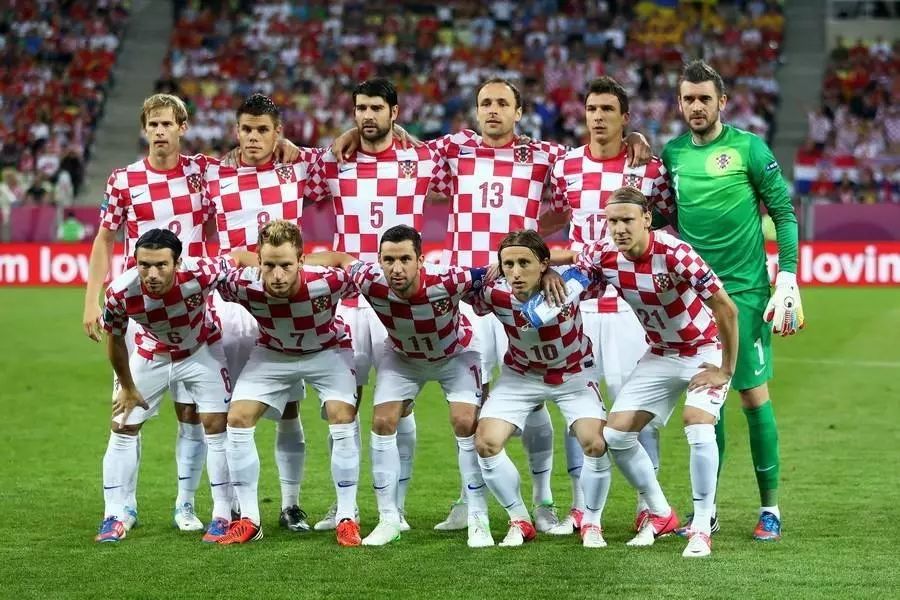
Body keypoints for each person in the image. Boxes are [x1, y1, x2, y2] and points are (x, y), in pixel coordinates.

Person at [553, 187, 739, 558]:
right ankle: (661, 512)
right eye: (612, 221)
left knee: (698, 423)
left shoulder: (675, 253)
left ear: (647, 220)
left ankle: (702, 526)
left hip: (703, 350)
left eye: (627, 220)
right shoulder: (603, 254)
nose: (619, 228)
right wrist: (541, 278)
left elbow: (726, 308)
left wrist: (725, 369)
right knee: (616, 435)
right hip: (660, 353)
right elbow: (572, 271)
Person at [661, 60, 803, 541]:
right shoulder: (673, 154)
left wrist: (787, 276)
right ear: (679, 103)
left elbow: (783, 213)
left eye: (705, 98)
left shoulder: (749, 148)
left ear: (721, 102)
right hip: (694, 297)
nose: (696, 106)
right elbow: (659, 215)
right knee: (708, 398)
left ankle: (770, 509)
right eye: (688, 99)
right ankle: (707, 511)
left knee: (752, 396)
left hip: (744, 294)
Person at [305, 78, 452, 531]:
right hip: (348, 300)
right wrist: (336, 141)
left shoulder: (422, 159)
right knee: (341, 404)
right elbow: (290, 167)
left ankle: (397, 507)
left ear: (394, 112)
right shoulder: (333, 161)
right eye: (360, 109)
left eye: (375, 108)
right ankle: (342, 505)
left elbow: (470, 163)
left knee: (398, 403)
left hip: (398, 301)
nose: (367, 116)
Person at [539, 75, 675, 535]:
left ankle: (648, 506)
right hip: (579, 302)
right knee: (578, 406)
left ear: (625, 117)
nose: (597, 117)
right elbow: (561, 215)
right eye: (592, 109)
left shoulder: (649, 170)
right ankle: (581, 508)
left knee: (638, 409)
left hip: (632, 305)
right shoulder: (566, 165)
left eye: (607, 110)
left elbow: (667, 222)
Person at [305, 225, 491, 548]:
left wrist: (545, 276)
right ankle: (389, 519)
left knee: (464, 422)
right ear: (378, 260)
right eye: (388, 260)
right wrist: (297, 263)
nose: (397, 268)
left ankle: (478, 517)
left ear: (420, 260)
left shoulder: (449, 279)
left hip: (455, 355)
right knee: (382, 421)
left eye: (405, 259)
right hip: (404, 358)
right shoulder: (369, 278)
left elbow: (492, 274)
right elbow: (339, 258)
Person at [83, 94, 217, 534]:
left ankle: (185, 505)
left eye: (167, 123)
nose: (159, 131)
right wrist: (91, 299)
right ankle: (120, 509)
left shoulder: (202, 173)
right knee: (126, 414)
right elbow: (105, 239)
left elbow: (247, 171)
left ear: (182, 127)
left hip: (192, 307)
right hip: (139, 312)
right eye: (153, 124)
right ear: (145, 129)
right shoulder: (124, 180)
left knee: (191, 415)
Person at [204, 93, 323, 533]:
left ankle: (291, 505)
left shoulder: (298, 168)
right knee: (229, 409)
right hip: (232, 303)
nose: (253, 138)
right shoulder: (212, 174)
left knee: (289, 408)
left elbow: (348, 152)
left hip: (283, 304)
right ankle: (234, 507)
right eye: (246, 129)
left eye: (262, 130)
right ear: (236, 131)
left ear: (278, 133)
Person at [95, 229, 255, 543]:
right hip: (151, 355)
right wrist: (127, 386)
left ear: (177, 263)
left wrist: (264, 267)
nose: (152, 274)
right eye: (144, 265)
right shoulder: (119, 292)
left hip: (201, 351)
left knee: (216, 426)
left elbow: (238, 257)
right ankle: (113, 516)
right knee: (122, 425)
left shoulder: (202, 272)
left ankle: (222, 514)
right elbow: (114, 340)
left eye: (161, 265)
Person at [211, 220, 362, 547]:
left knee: (342, 416)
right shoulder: (241, 284)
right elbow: (229, 262)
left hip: (327, 351)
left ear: (301, 261)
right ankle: (250, 519)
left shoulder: (329, 281)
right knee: (237, 418)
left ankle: (347, 517)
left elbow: (347, 265)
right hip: (273, 353)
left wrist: (346, 261)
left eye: (286, 266)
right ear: (259, 262)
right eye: (269, 266)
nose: (277, 275)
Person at [467, 230, 612, 548]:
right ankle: (519, 519)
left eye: (525, 263)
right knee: (486, 442)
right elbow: (453, 285)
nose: (516, 272)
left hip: (574, 375)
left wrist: (555, 268)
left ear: (543, 263)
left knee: (595, 443)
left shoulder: (570, 283)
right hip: (521, 376)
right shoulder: (491, 291)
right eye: (508, 264)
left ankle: (591, 522)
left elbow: (595, 257)